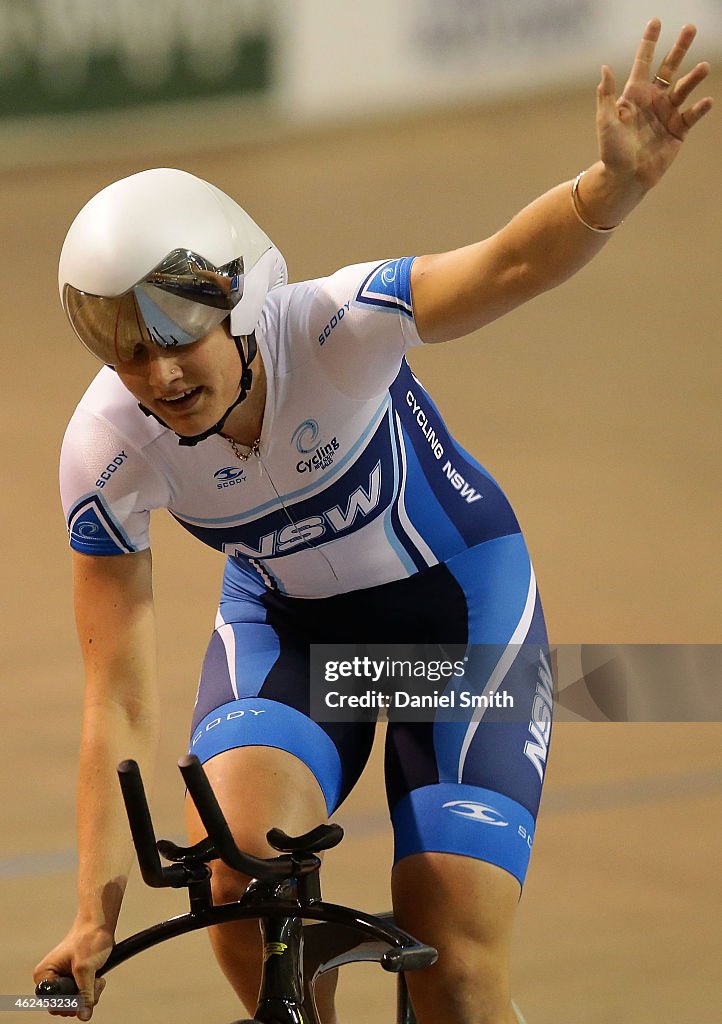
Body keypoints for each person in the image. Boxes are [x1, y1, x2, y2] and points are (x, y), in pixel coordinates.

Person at [34, 19, 711, 1024]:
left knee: (453, 967)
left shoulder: (335, 326)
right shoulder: (106, 451)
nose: (161, 375)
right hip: (298, 641)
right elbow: (115, 700)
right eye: (128, 351)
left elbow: (505, 267)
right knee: (237, 874)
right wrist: (93, 917)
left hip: (459, 628)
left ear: (242, 301)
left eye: (180, 338)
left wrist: (612, 188)